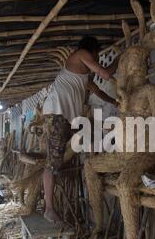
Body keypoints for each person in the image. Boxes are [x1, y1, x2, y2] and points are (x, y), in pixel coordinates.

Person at [42, 36, 119, 223]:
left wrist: (115, 102)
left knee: (87, 139)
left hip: (68, 117)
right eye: (97, 55)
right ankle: (49, 209)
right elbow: (106, 74)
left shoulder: (82, 75)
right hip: (57, 113)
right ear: (92, 51)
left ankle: (97, 167)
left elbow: (99, 92)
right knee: (52, 163)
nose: (97, 59)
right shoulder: (80, 54)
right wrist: (119, 58)